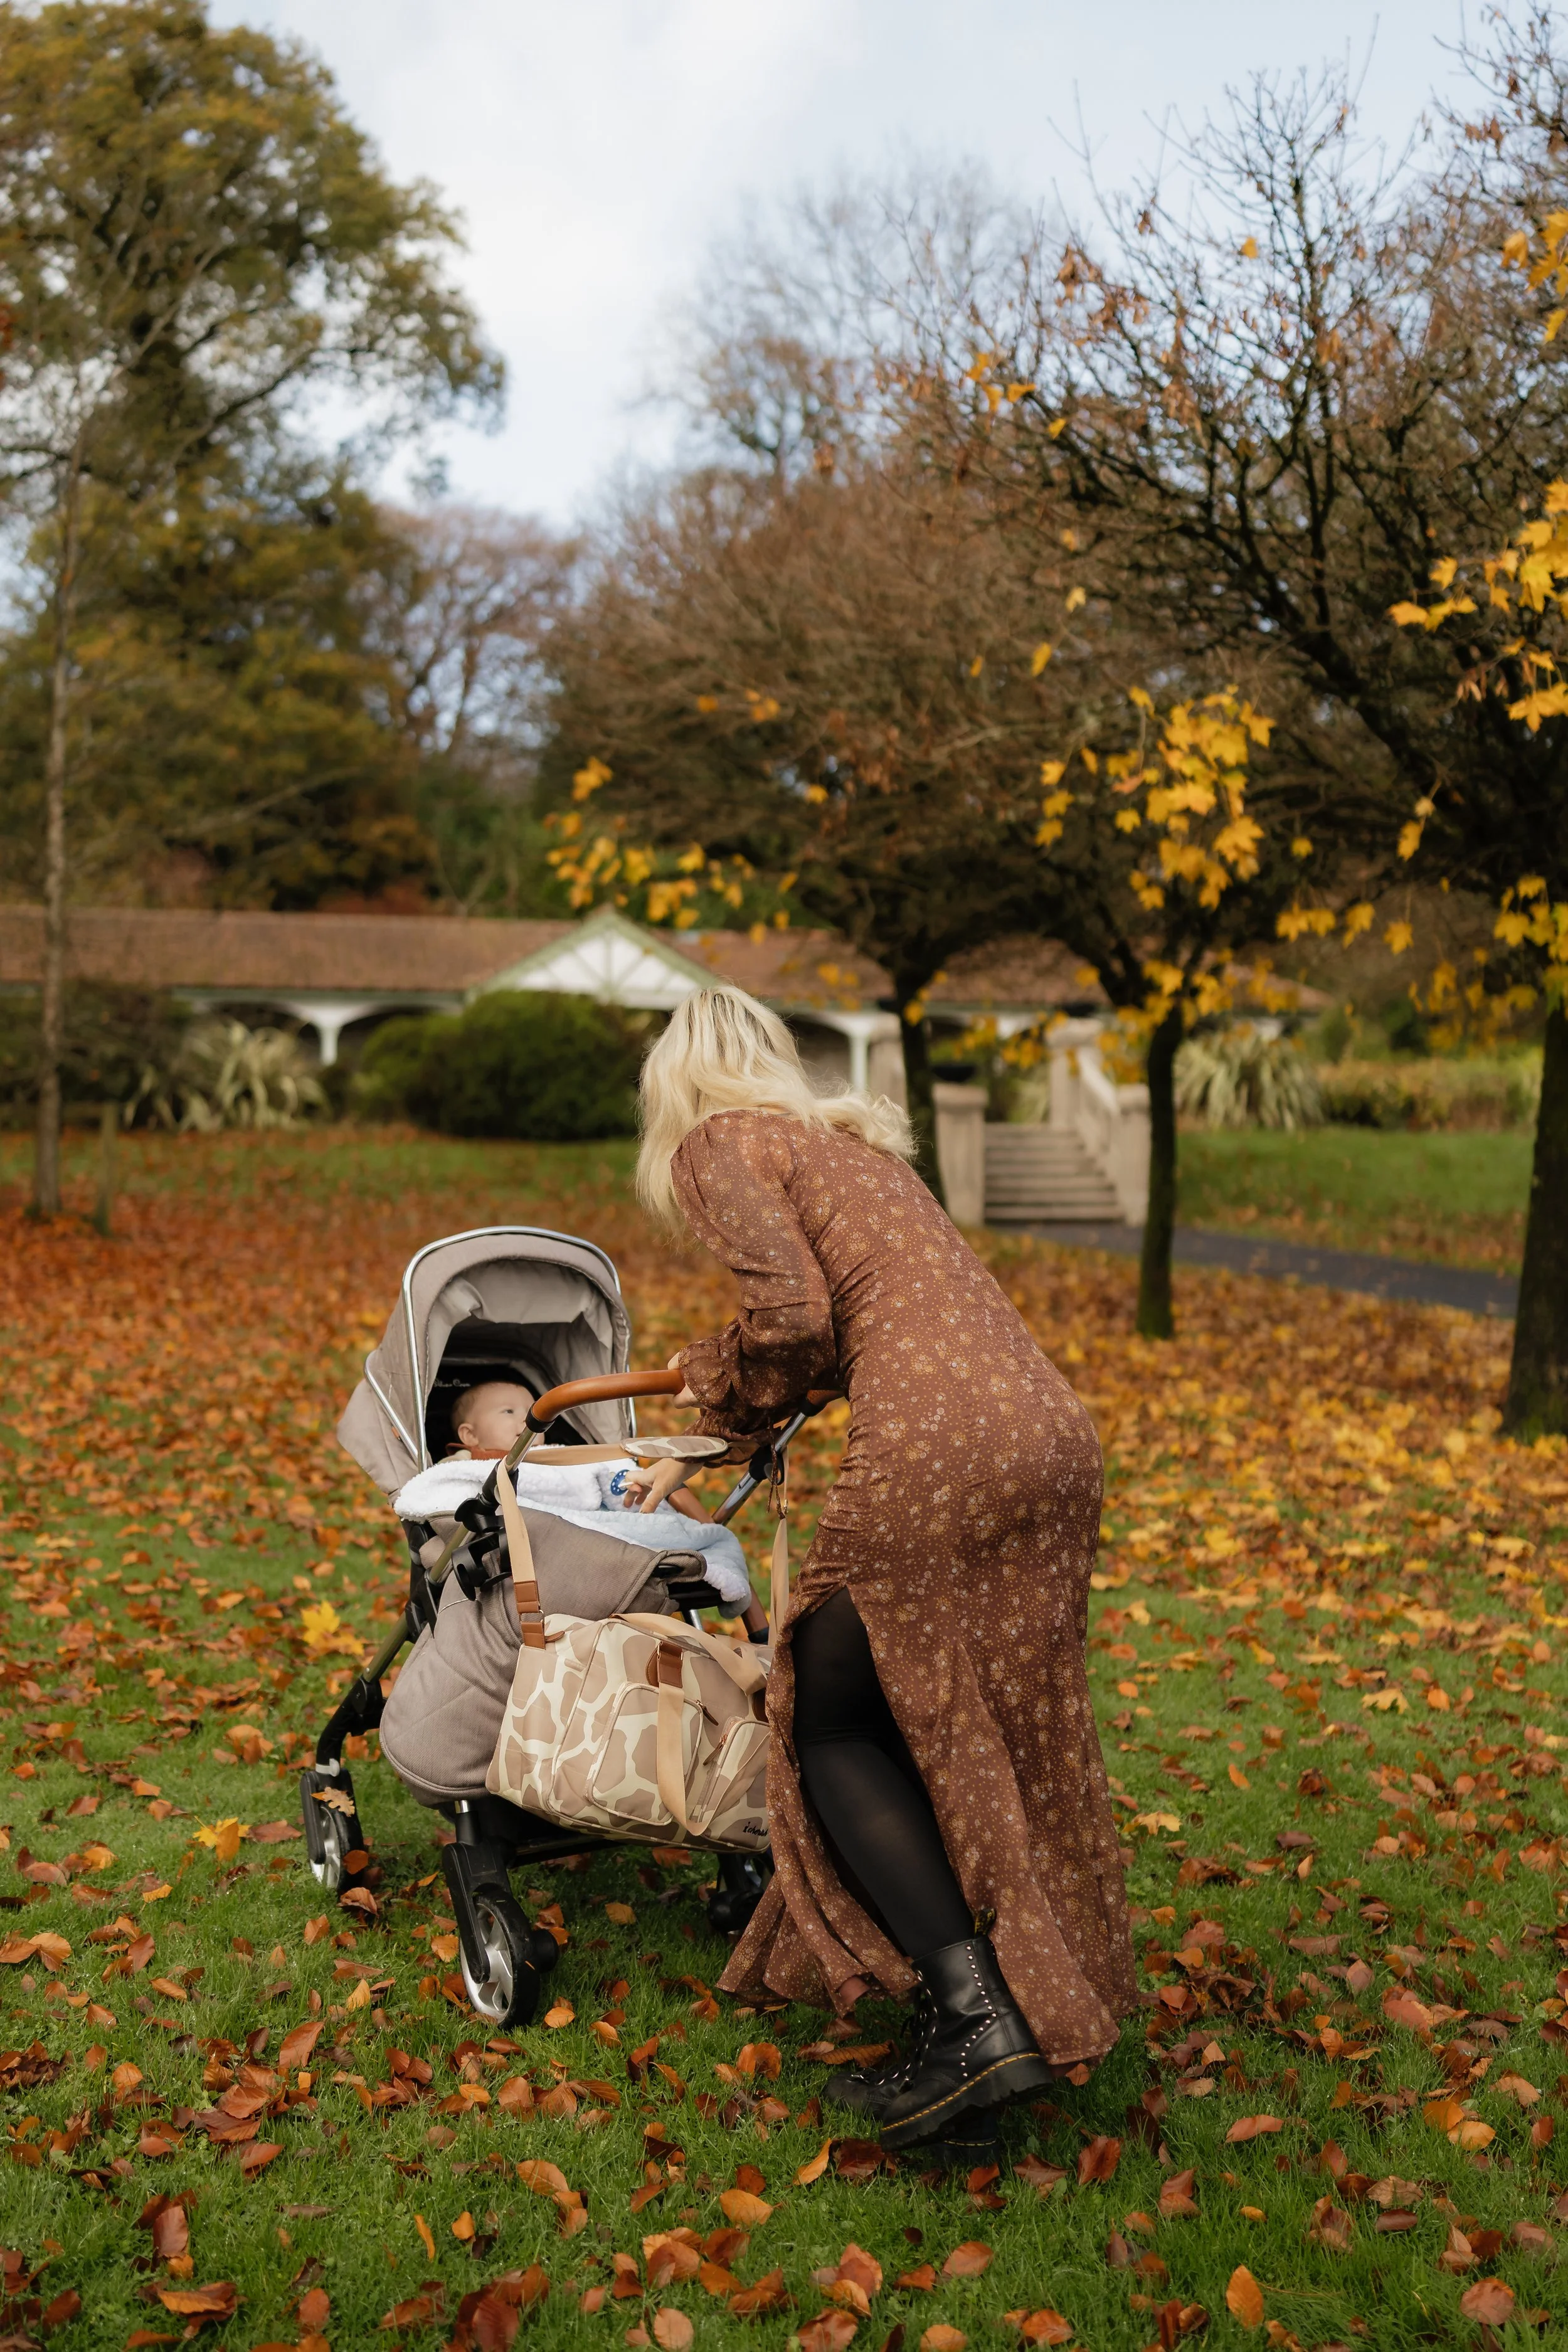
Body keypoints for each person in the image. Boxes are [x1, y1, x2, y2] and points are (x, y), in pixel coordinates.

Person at [636, 985, 1136, 2154]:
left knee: (834, 1718)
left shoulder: (720, 1144)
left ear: (676, 1089)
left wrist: (710, 1385)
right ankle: (1017, 1994)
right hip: (1050, 1439)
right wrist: (725, 1427)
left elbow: (795, 1319)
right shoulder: (849, 1150)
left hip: (933, 1450)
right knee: (973, 1716)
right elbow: (855, 1321)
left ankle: (975, 2016)